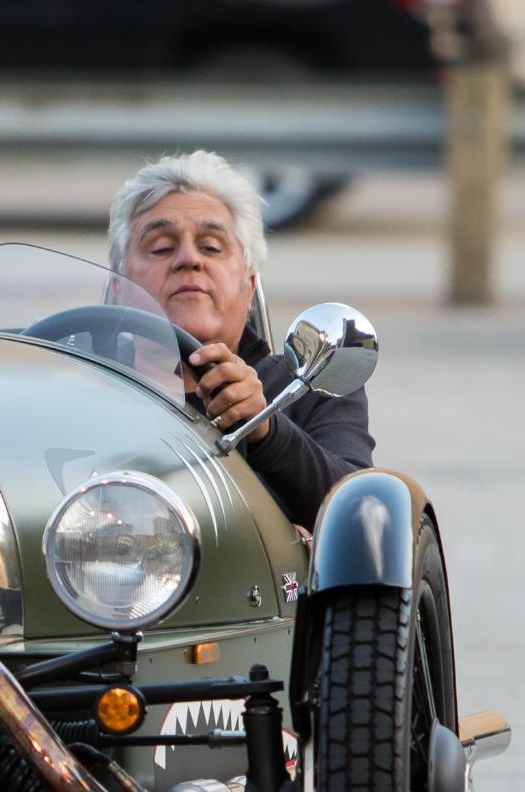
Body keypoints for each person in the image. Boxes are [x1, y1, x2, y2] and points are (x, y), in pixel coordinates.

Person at [108, 149, 373, 528]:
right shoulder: (79, 386)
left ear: (249, 286)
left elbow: (362, 515)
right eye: (162, 247)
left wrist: (266, 429)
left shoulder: (308, 387)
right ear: (118, 287)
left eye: (212, 247)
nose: (188, 259)